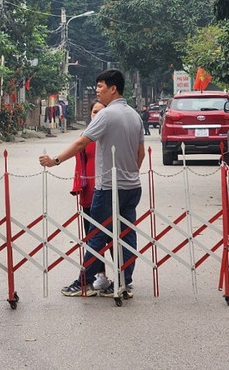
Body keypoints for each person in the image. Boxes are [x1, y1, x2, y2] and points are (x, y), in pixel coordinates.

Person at [39, 69, 144, 298]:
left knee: (96, 233)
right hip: (132, 186)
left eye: (100, 87)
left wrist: (55, 160)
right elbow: (140, 154)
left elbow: (80, 143)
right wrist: (130, 173)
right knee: (126, 234)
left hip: (107, 187)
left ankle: (84, 282)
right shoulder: (134, 116)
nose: (97, 92)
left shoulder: (106, 115)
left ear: (113, 89)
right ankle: (124, 281)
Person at [65, 101, 108, 296]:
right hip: (89, 193)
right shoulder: (85, 137)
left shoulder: (110, 137)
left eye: (101, 112)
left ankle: (121, 277)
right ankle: (99, 275)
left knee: (111, 237)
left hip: (107, 192)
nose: (97, 115)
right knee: (92, 237)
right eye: (94, 112)